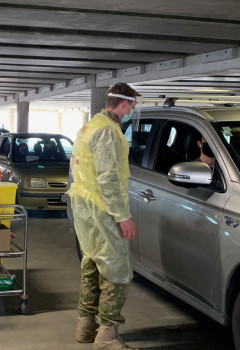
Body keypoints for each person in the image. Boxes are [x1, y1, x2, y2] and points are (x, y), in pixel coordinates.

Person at [67, 82, 140, 350]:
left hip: (85, 209)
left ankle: (85, 328)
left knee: (92, 264)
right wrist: (122, 216)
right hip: (103, 211)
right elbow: (108, 178)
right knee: (116, 271)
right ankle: (107, 337)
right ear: (124, 104)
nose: (132, 110)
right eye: (132, 105)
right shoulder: (109, 131)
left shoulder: (90, 125)